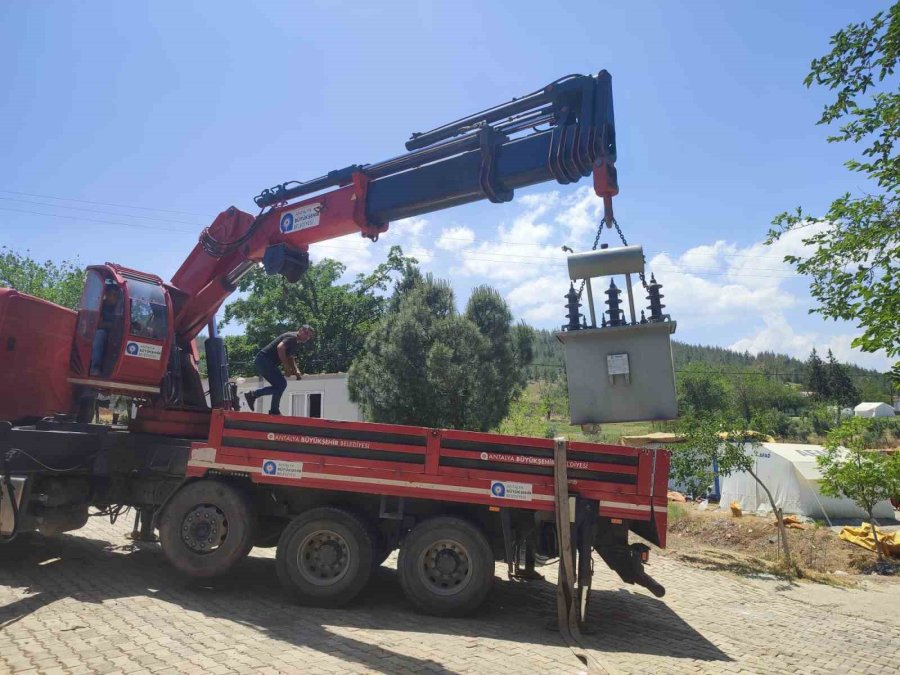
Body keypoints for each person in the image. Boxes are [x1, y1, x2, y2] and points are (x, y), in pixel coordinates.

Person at [244, 325, 315, 415]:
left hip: (264, 362)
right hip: (264, 360)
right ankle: (254, 395)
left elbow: (290, 357)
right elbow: (280, 348)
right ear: (300, 330)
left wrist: (296, 370)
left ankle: (274, 410)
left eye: (309, 336)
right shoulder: (293, 337)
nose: (307, 337)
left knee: (279, 385)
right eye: (306, 333)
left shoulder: (295, 342)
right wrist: (286, 367)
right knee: (281, 384)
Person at [90, 280, 121, 376]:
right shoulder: (100, 306)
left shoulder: (120, 308)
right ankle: (95, 367)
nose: (116, 298)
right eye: (114, 295)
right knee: (100, 334)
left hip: (115, 334)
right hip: (99, 333)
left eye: (117, 296)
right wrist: (113, 326)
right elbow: (99, 324)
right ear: (107, 294)